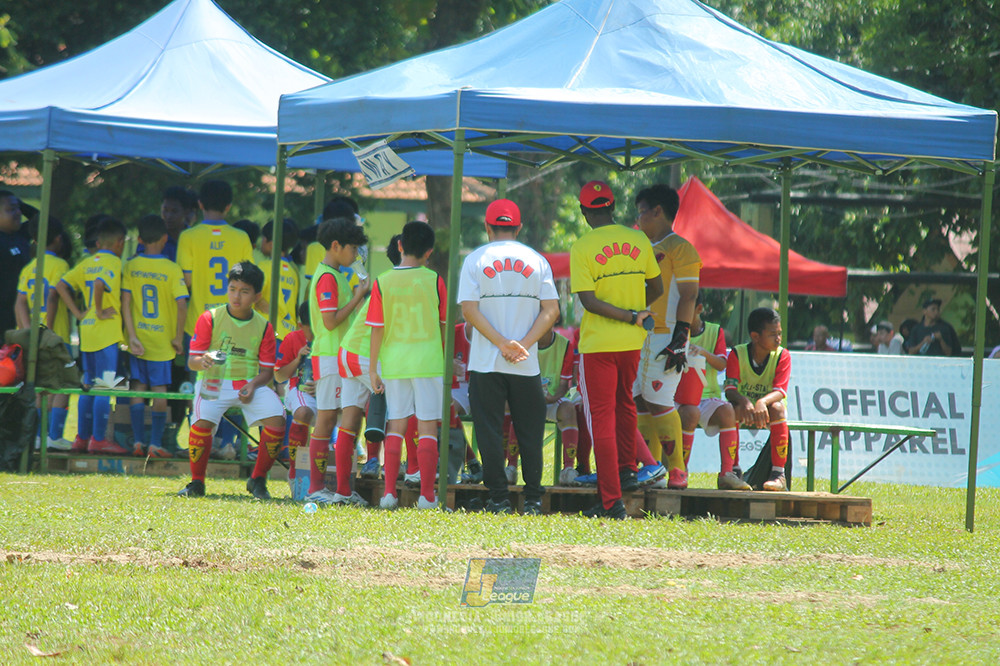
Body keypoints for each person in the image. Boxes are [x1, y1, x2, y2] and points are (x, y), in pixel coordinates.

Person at [458, 199, 559, 515]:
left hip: (486, 362)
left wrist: (501, 343)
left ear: (487, 228)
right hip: (525, 363)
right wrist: (523, 345)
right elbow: (552, 310)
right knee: (530, 430)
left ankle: (499, 498)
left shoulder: (475, 259)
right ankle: (533, 499)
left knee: (488, 430)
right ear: (519, 228)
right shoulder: (537, 260)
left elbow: (469, 310)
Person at [570, 181, 662, 520]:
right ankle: (627, 471)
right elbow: (657, 287)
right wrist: (635, 313)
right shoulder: (638, 239)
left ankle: (611, 501)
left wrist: (627, 314)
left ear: (584, 212)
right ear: (612, 206)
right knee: (625, 405)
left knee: (602, 418)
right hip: (632, 343)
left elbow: (589, 302)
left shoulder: (582, 246)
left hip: (599, 345)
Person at [178, 262, 285, 499]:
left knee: (277, 418)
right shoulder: (210, 318)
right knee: (201, 423)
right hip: (213, 381)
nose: (236, 296)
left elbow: (267, 372)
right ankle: (197, 482)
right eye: (233, 289)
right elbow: (192, 361)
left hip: (249, 383)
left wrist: (253, 385)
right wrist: (203, 361)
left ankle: (258, 479)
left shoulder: (264, 326)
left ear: (257, 296)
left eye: (244, 291)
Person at [368, 221, 448, 510]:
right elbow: (443, 325)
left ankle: (389, 494)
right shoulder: (435, 280)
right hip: (429, 362)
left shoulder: (382, 281)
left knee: (396, 425)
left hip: (395, 363)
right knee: (427, 427)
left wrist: (373, 368)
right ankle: (427, 497)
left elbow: (376, 328)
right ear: (429, 252)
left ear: (400, 245)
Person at [633, 183, 701, 490]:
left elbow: (689, 294)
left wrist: (680, 337)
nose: (638, 220)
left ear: (657, 211)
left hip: (666, 336)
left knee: (659, 401)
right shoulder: (638, 247)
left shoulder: (680, 248)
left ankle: (677, 470)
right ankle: (651, 467)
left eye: (641, 212)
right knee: (639, 400)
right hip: (637, 334)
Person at [305, 217, 370, 505]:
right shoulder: (327, 277)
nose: (355, 255)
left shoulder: (334, 275)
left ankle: (342, 488)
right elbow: (330, 321)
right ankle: (315, 487)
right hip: (329, 355)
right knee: (327, 418)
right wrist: (358, 297)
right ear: (336, 246)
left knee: (345, 418)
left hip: (338, 356)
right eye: (352, 248)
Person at [55, 217, 128, 455]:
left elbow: (61, 285)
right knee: (104, 386)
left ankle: (81, 438)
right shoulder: (113, 261)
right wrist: (99, 309)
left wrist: (78, 313)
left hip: (86, 331)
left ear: (98, 242)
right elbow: (99, 283)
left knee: (88, 384)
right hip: (105, 332)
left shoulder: (87, 262)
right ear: (119, 242)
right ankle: (98, 439)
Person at [121, 214, 189, 458]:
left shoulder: (131, 266)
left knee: (138, 387)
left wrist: (131, 336)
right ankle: (155, 443)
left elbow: (125, 303)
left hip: (138, 337)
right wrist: (178, 337)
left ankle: (138, 441)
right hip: (162, 340)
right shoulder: (172, 268)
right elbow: (182, 305)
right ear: (165, 239)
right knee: (160, 389)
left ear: (139, 240)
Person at [675, 295, 750, 490]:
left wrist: (703, 352)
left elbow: (722, 364)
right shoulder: (673, 329)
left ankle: (727, 473)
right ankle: (680, 471)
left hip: (707, 396)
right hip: (679, 398)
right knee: (690, 413)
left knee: (728, 411)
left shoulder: (715, 331)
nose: (680, 314)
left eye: (685, 309)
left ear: (699, 309)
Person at [17, 217, 73, 450]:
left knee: (40, 387)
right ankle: (54, 435)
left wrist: (28, 331)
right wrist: (48, 330)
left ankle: (39, 436)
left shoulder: (29, 267)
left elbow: (20, 302)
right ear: (58, 239)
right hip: (56, 336)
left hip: (34, 338)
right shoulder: (60, 265)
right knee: (63, 385)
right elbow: (53, 296)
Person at [724, 307, 791, 491]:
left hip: (768, 410)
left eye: (779, 333)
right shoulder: (737, 354)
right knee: (732, 409)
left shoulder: (782, 355)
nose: (778, 338)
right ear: (755, 336)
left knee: (778, 408)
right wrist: (745, 402)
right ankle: (734, 470)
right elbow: (730, 390)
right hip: (744, 409)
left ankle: (779, 475)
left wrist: (761, 402)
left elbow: (780, 391)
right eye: (772, 334)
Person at [176, 180, 253, 338]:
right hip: (233, 323)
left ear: (200, 204)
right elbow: (249, 281)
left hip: (198, 323)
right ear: (228, 206)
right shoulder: (242, 237)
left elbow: (187, 281)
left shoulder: (187, 236)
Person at [274, 302, 316, 495]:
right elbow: (279, 376)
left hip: (330, 390)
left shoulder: (335, 336)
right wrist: (298, 359)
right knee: (303, 412)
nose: (317, 332)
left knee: (352, 413)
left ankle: (342, 481)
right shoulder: (292, 338)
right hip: (300, 389)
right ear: (301, 325)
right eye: (311, 328)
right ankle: (296, 473)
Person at [535, 318, 582, 486]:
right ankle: (510, 466)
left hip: (552, 399)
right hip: (527, 399)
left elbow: (564, 384)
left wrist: (552, 398)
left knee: (569, 409)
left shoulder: (564, 345)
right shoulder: (525, 342)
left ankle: (568, 469)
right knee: (514, 407)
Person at [257, 218, 300, 343]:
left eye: (263, 238)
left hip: (269, 332)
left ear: (271, 244)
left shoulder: (265, 266)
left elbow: (251, 294)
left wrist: (258, 300)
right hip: (288, 335)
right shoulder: (293, 271)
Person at [137, 186, 198, 262]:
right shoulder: (151, 237)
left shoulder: (195, 239)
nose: (168, 216)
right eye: (165, 210)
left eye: (174, 211)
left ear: (186, 212)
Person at [0, 190, 31, 337]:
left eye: (18, 208)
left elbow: (43, 221)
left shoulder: (21, 235)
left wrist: (20, 205)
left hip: (21, 316)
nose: (18, 213)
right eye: (11, 209)